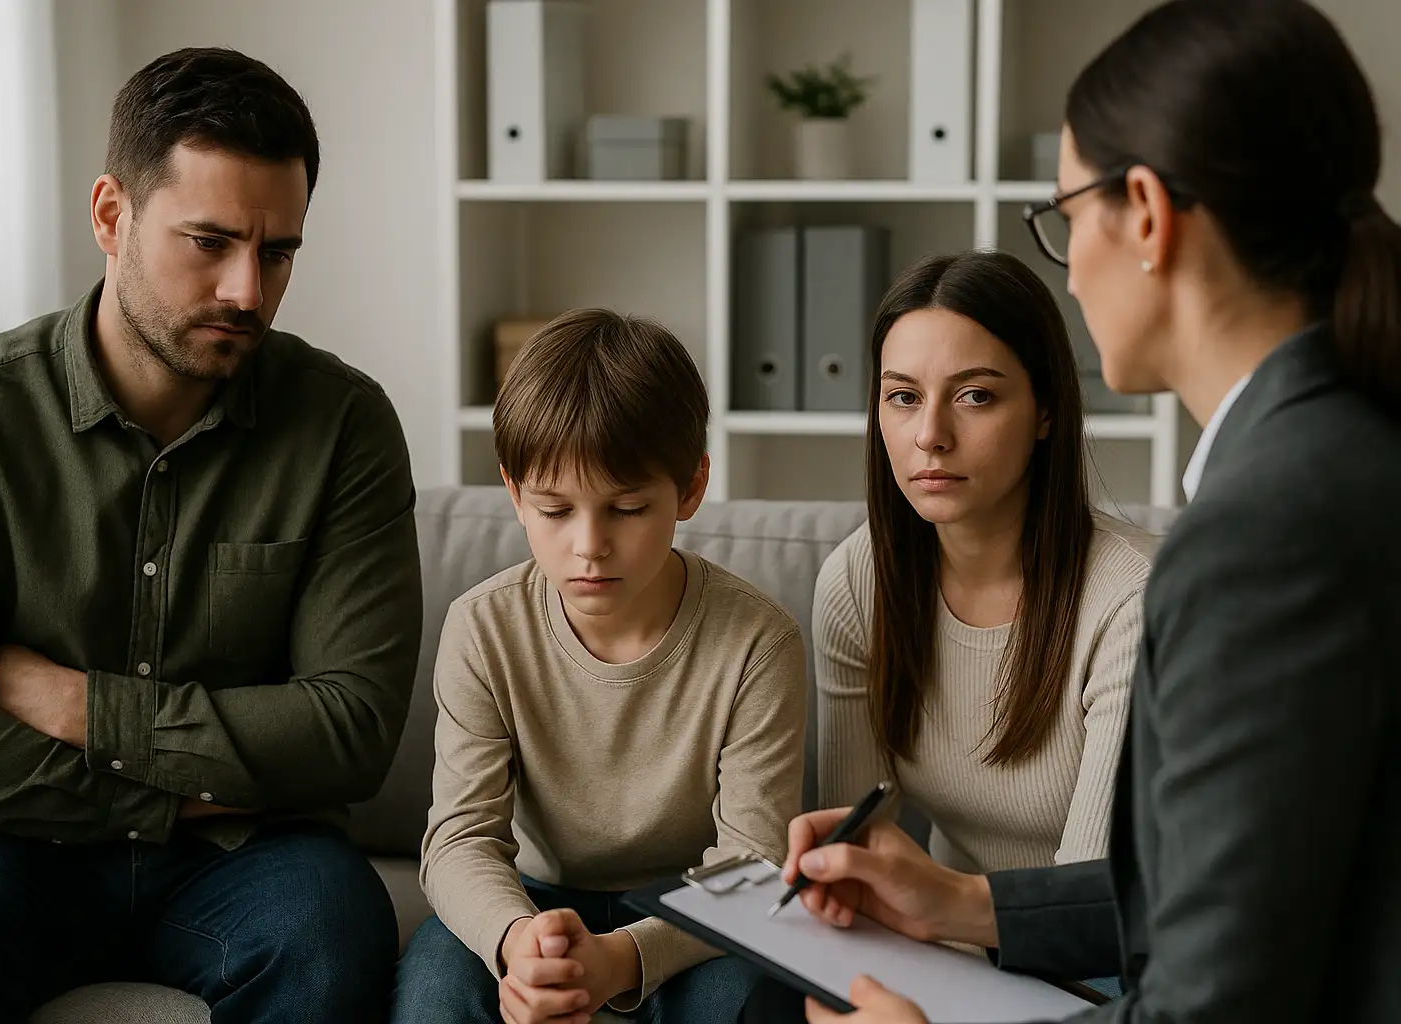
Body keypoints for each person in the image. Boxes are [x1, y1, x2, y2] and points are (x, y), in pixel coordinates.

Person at [768, 2, 1401, 1022]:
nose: (1067, 265)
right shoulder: (1340, 451)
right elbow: (1228, 891)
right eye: (901, 397)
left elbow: (1216, 1001)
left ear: (1144, 212)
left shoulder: (1266, 530)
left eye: (1064, 214)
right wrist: (960, 901)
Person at [0, 48, 422, 1023]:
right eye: (209, 241)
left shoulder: (344, 426)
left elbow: (350, 734)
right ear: (110, 215)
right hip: (7, 843)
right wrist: (171, 795)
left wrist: (79, 705)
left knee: (333, 938)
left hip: (254, 857)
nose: (247, 290)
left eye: (277, 252)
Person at [391, 308, 807, 1024]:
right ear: (515, 494)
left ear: (690, 488)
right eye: (555, 510)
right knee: (435, 987)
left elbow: (754, 867)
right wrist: (518, 941)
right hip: (532, 900)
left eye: (627, 508)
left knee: (748, 996)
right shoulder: (483, 628)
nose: (589, 546)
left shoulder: (756, 641)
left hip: (688, 906)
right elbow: (459, 839)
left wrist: (622, 957)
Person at [814, 249, 1151, 877]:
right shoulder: (859, 581)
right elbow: (853, 850)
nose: (930, 435)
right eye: (903, 396)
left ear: (1046, 410)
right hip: (938, 929)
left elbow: (1091, 902)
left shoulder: (1134, 601)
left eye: (975, 396)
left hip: (1097, 938)